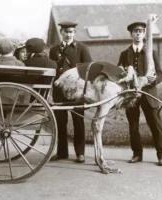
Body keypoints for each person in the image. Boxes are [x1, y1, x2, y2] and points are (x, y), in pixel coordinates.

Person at [117, 21, 162, 166]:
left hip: (149, 94)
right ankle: (137, 154)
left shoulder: (151, 52)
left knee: (155, 125)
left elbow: (160, 73)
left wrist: (153, 79)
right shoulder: (125, 54)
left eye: (140, 31)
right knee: (133, 126)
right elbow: (119, 72)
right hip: (131, 95)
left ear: (144, 34)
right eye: (135, 31)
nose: (138, 34)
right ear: (131, 34)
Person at [49, 21, 92, 163]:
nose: (68, 35)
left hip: (76, 92)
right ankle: (62, 152)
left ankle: (80, 153)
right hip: (59, 91)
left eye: (71, 32)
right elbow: (52, 70)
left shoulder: (82, 48)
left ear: (74, 33)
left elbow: (88, 69)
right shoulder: (54, 50)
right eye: (66, 32)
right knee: (60, 122)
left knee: (78, 121)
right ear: (61, 33)